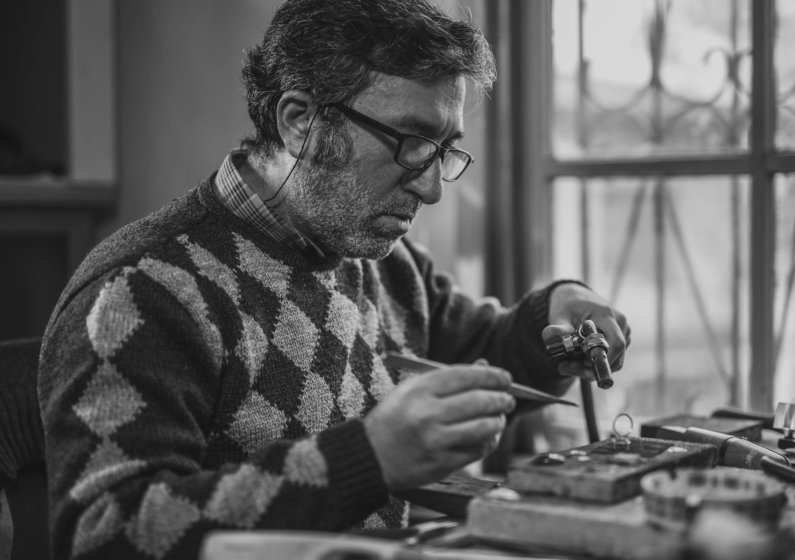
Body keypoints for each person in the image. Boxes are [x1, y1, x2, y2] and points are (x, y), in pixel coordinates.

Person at [38, 1, 630, 558]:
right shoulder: (143, 291)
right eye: (412, 143)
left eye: (444, 150)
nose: (430, 187)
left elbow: (483, 353)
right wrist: (368, 458)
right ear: (300, 120)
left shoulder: (381, 259)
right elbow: (108, 534)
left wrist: (557, 313)